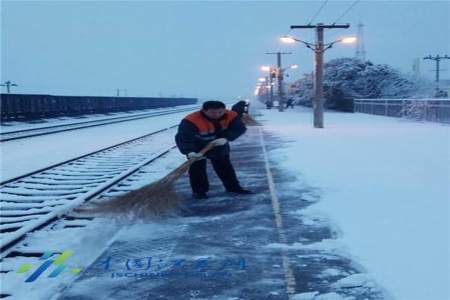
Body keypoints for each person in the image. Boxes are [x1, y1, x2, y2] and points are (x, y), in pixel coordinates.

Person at [175, 100, 251, 199]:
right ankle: (199, 192)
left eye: (220, 112)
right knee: (197, 168)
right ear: (204, 111)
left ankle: (233, 187)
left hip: (219, 143)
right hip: (197, 146)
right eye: (213, 112)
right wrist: (190, 151)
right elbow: (183, 137)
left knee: (225, 166)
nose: (217, 115)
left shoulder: (231, 115)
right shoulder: (191, 120)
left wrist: (226, 138)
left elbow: (239, 128)